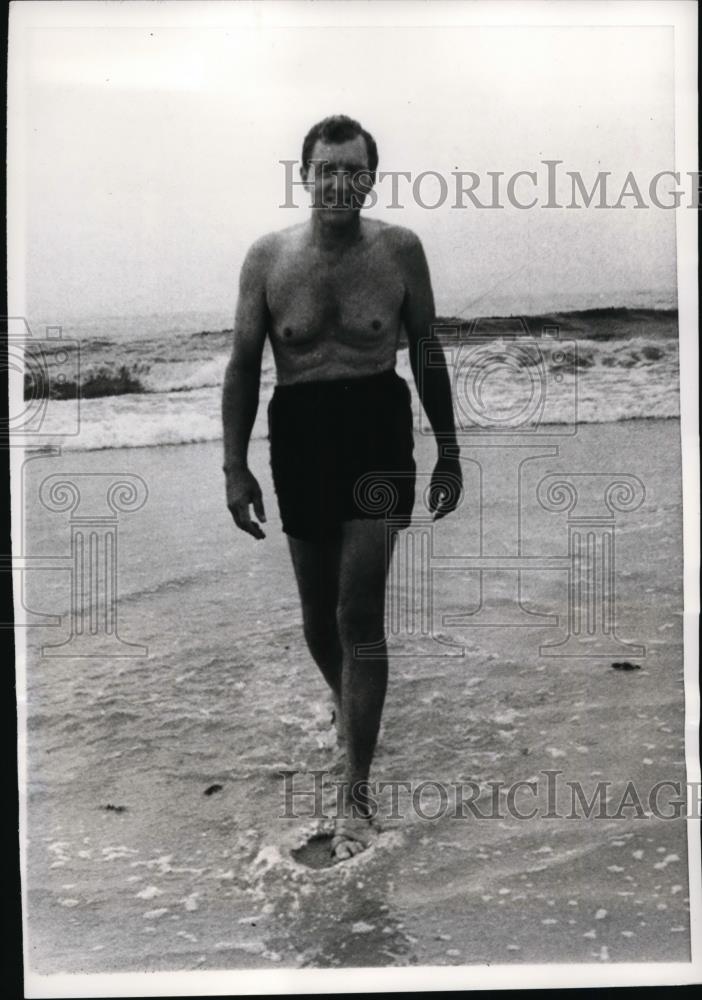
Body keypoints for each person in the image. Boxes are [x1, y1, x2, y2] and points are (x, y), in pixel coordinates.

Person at [222, 115, 462, 861]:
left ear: (369, 178)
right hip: (299, 432)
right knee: (319, 622)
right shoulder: (267, 259)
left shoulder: (399, 252)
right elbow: (241, 367)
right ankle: (349, 704)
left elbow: (424, 350)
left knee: (359, 613)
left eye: (351, 171)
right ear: (305, 177)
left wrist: (449, 449)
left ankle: (356, 791)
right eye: (324, 170)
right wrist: (235, 466)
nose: (337, 183)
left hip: (375, 430)